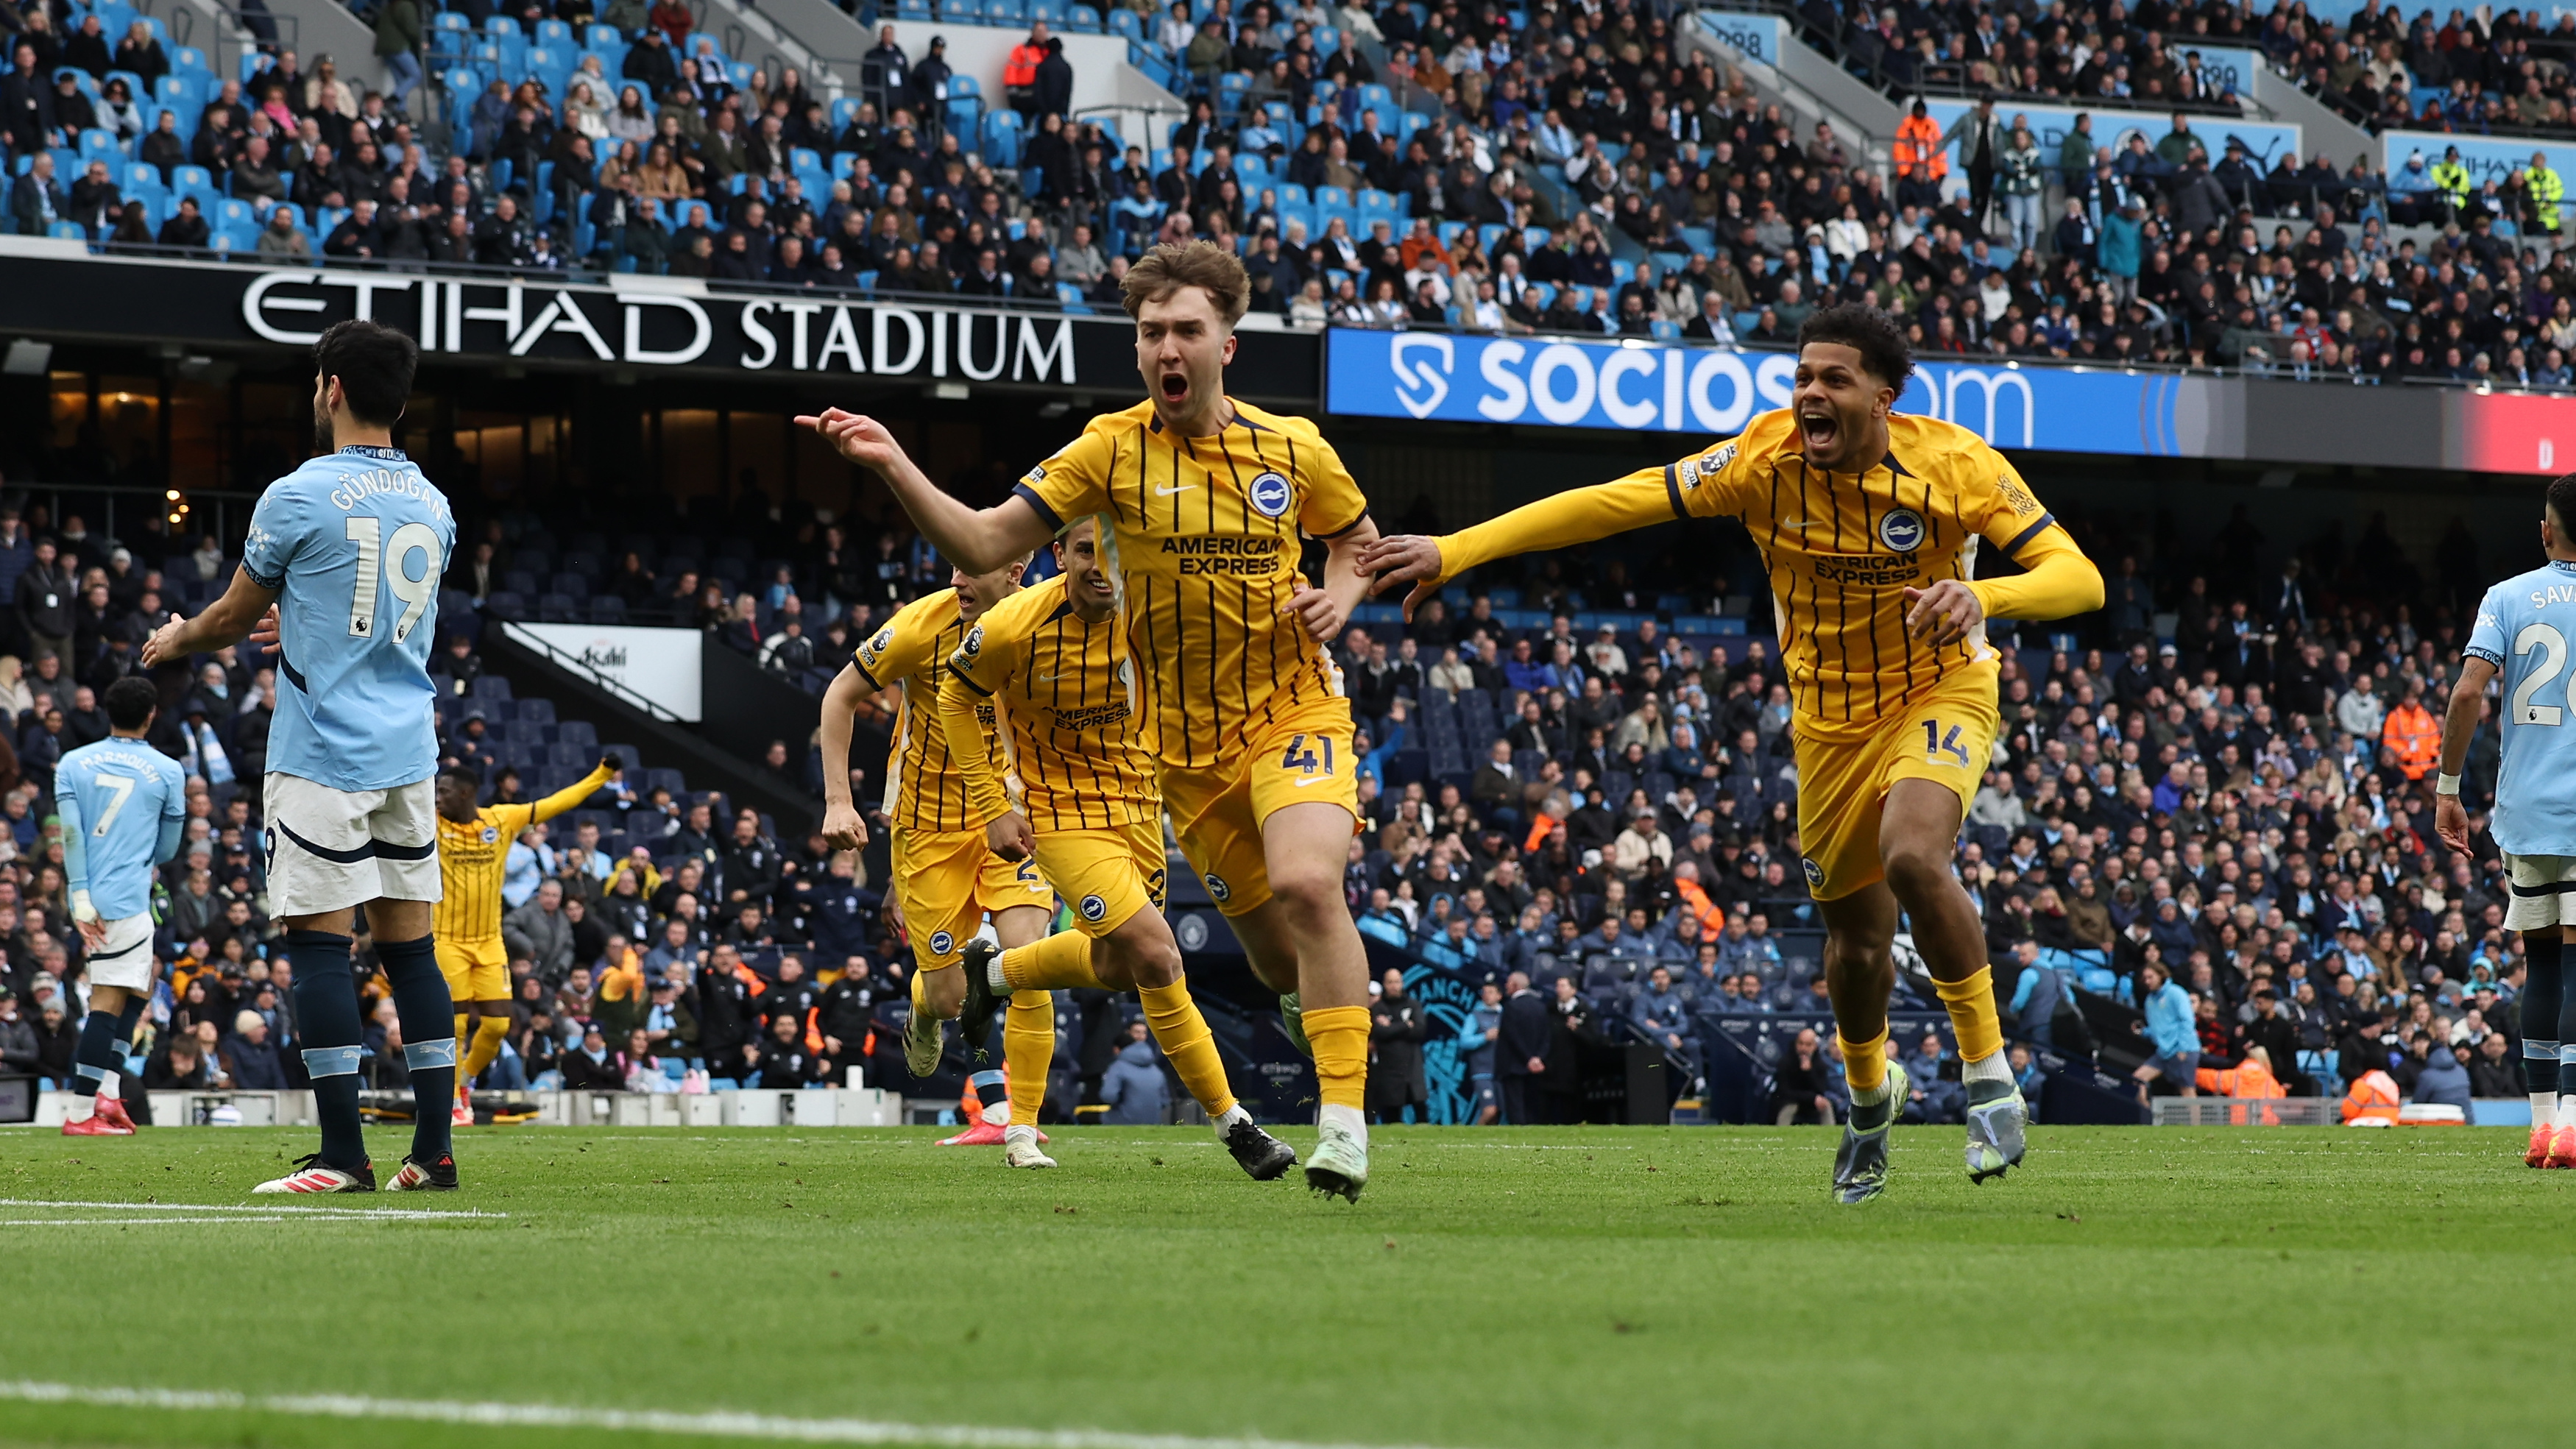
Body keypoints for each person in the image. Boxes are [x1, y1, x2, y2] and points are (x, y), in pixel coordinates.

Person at [1363, 303, 2103, 1203]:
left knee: (1915, 855)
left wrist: (1984, 596)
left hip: (1940, 690)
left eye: (1832, 379)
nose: (1809, 395)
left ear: (1884, 396)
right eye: (1801, 377)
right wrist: (1458, 547)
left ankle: (1988, 1080)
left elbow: (2078, 579)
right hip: (1829, 728)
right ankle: (1870, 1101)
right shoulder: (1762, 461)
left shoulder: (1955, 464)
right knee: (1856, 950)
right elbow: (1614, 501)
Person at [801, 241, 1382, 1202]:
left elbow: (1355, 546)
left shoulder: (1293, 449)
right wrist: (893, 461)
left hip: (1291, 710)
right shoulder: (1107, 452)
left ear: (1226, 345)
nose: (1167, 346)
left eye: (1186, 329)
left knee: (1309, 888)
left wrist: (1340, 600)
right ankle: (1280, 997)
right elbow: (986, 540)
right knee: (1266, 953)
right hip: (1180, 760)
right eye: (1151, 331)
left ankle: (1341, 1127)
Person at [141, 319, 461, 1194]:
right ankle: (433, 1153)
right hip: (409, 749)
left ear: (329, 389)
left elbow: (231, 620)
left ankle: (342, 1156)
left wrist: (178, 640)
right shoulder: (433, 502)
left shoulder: (298, 493)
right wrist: (309, 617)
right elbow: (386, 610)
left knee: (320, 948)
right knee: (411, 953)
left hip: (322, 753)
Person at [935, 515, 1294, 1175]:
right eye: (1082, 550)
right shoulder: (1014, 626)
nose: (1099, 565)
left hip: (1141, 809)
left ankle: (995, 974)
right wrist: (994, 807)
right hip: (1063, 818)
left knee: (1119, 966)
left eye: (1112, 552)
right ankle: (1235, 1124)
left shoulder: (1157, 609)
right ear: (1059, 555)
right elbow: (955, 696)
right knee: (1159, 956)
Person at [813, 545, 1054, 1134]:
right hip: (930, 825)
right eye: (952, 566)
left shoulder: (1047, 622)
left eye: (969, 569)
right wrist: (839, 800)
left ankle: (1018, 1123)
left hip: (1013, 814)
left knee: (1030, 961)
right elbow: (839, 695)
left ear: (1015, 574)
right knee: (949, 997)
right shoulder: (921, 624)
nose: (956, 580)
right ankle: (925, 1011)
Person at [2435, 472, 2576, 1168]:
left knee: (2543, 961)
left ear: (2546, 531)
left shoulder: (2507, 596)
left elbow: (2467, 694)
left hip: (2526, 811)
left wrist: (2447, 787)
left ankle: (2541, 1128)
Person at [431, 754, 618, 1124]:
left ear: (467, 793)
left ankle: (465, 1080)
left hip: (489, 941)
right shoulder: (430, 824)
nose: (436, 797)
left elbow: (559, 802)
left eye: (444, 791)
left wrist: (603, 774)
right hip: (447, 940)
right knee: (456, 1024)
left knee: (499, 1025)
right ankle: (451, 1100)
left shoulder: (502, 819)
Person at [54, 676, 187, 1136]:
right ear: (151, 715)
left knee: (138, 991)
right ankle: (80, 1114)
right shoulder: (169, 770)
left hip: (94, 895)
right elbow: (169, 848)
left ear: (107, 713)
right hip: (127, 897)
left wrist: (79, 894)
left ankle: (108, 1093)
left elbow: (70, 834)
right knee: (108, 1005)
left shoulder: (73, 763)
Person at [1367, 967, 1428, 1123]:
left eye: (1397, 982)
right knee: (1392, 1114)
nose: (1394, 986)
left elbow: (1420, 1031)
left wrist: (1392, 1026)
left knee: (1421, 1111)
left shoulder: (1413, 1004)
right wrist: (1406, 1025)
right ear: (1384, 984)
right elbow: (1380, 1033)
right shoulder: (1379, 1007)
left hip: (1412, 1065)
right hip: (1389, 1068)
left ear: (1402, 983)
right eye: (1390, 982)